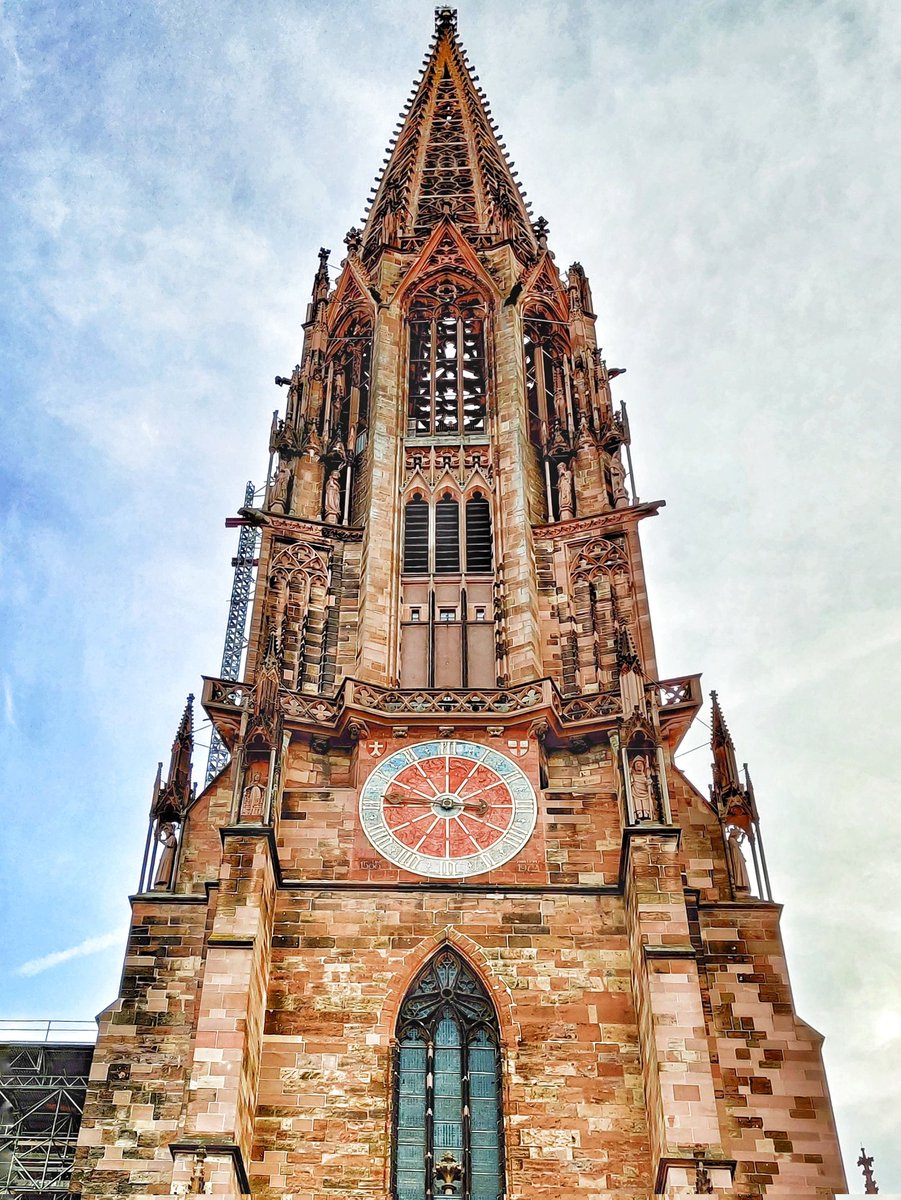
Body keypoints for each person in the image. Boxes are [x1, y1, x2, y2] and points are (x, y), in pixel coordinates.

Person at [726, 825, 751, 893]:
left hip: (738, 857)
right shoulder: (731, 840)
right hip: (736, 857)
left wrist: (742, 839)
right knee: (738, 870)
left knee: (741, 870)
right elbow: (736, 844)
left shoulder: (733, 840)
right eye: (738, 835)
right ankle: (739, 884)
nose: (738, 836)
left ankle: (742, 884)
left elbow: (738, 844)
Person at [152, 822, 178, 889]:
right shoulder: (170, 838)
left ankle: (163, 881)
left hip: (168, 855)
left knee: (166, 866)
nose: (165, 833)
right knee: (163, 866)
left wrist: (160, 840)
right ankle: (160, 881)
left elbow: (169, 845)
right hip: (166, 855)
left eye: (166, 831)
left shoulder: (172, 838)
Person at [629, 754, 654, 821]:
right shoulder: (633, 776)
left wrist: (649, 783)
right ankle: (639, 814)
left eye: (640, 764)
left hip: (645, 793)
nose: (639, 766)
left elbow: (650, 789)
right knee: (637, 803)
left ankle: (646, 814)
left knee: (646, 803)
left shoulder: (645, 776)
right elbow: (630, 781)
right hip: (636, 792)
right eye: (637, 764)